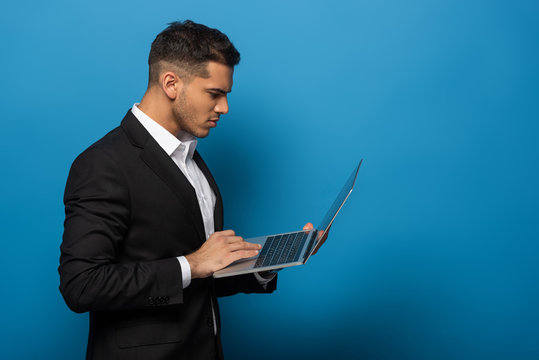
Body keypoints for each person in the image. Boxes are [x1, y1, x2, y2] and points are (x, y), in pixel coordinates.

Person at [58, 20, 318, 359]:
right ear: (171, 83)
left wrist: (268, 263)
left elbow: (197, 278)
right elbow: (82, 285)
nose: (224, 108)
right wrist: (191, 264)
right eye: (214, 94)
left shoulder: (191, 158)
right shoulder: (103, 164)